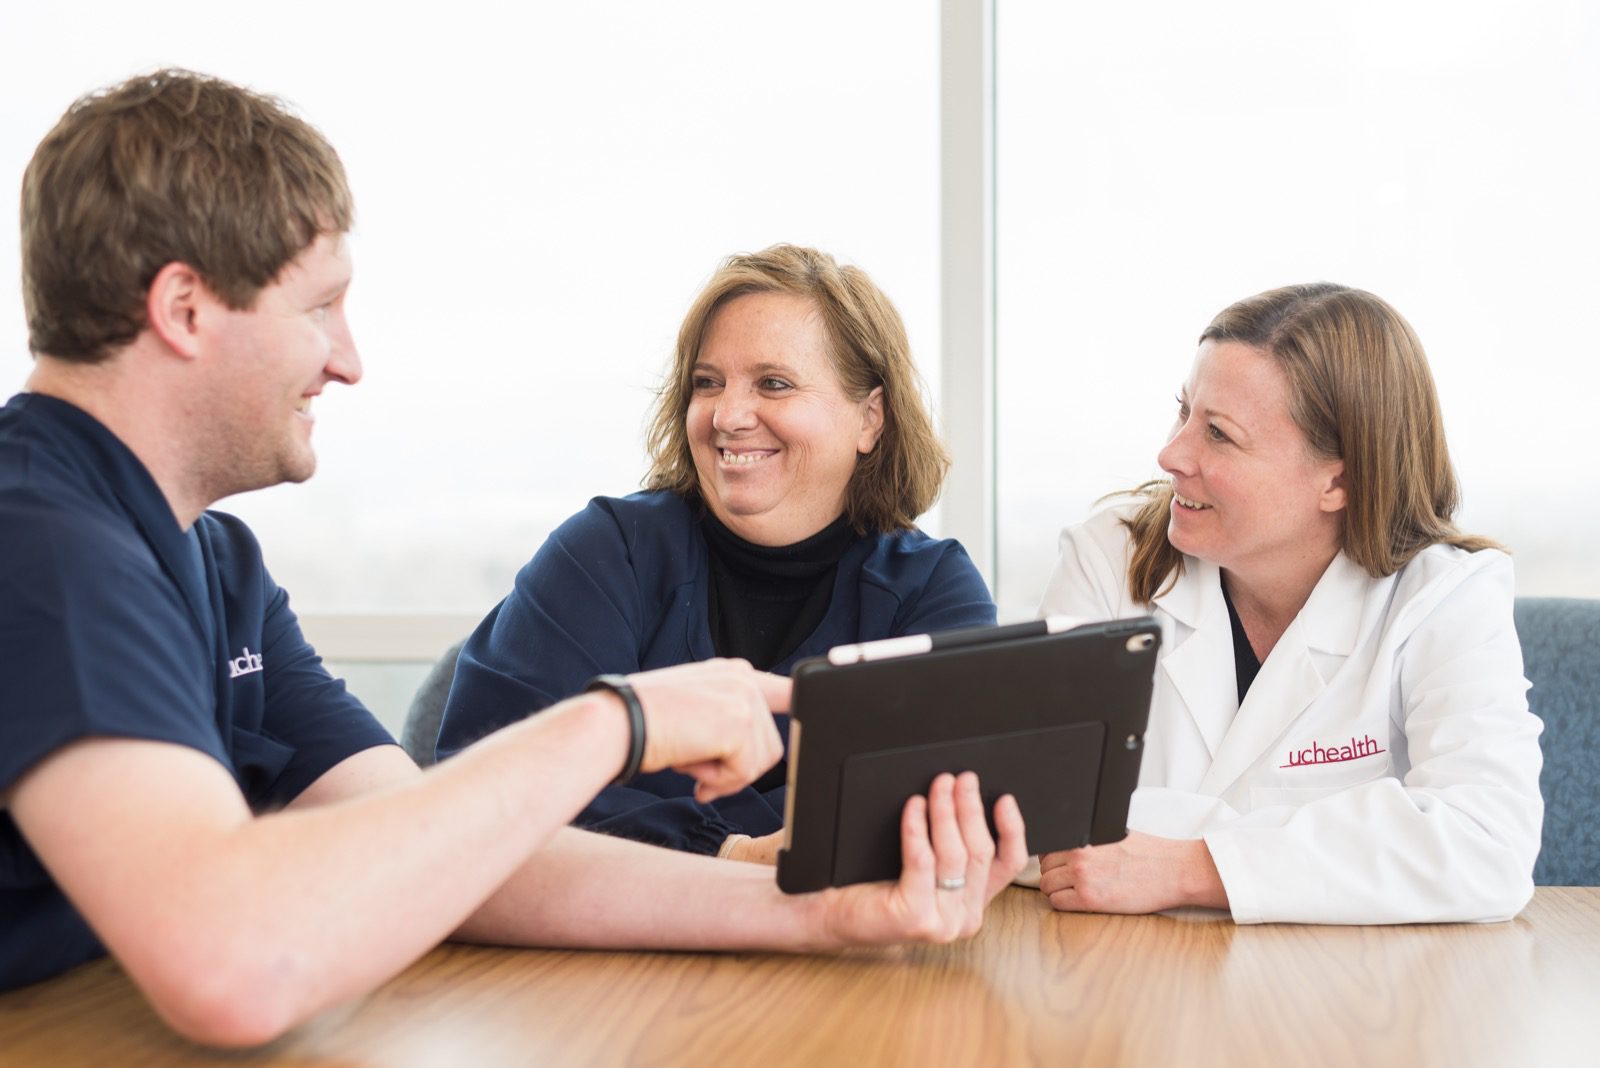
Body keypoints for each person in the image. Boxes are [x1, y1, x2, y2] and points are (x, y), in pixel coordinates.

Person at [0, 70, 1027, 1046]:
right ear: (183, 311)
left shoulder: (216, 564)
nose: (348, 358)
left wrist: (817, 912)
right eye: (319, 307)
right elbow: (230, 964)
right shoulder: (39, 541)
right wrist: (619, 720)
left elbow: (447, 860)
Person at [437, 245, 995, 863]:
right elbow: (483, 788)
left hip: (844, 955)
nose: (727, 416)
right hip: (589, 953)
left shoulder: (932, 591)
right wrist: (734, 850)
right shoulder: (602, 553)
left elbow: (922, 816)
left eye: (773, 384)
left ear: (869, 419)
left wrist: (631, 812)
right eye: (707, 384)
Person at [1031, 283, 1543, 925]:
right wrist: (1344, 845)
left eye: (1218, 434)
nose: (1171, 454)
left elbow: (1487, 846)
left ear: (1339, 480)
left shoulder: (1443, 598)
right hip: (1130, 984)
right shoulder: (1111, 561)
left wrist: (1191, 865)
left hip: (1353, 1002)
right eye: (1184, 412)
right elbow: (1034, 822)